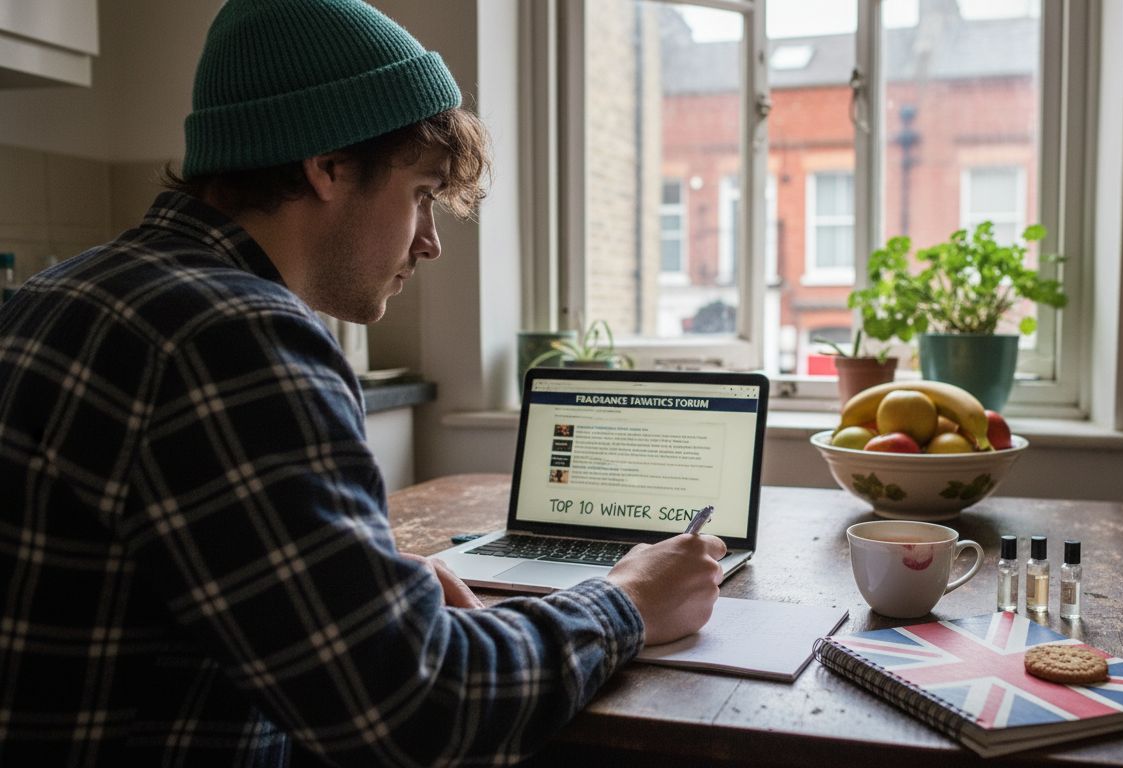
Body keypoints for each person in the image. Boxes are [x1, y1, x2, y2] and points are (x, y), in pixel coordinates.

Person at [0, 1, 726, 765]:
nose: (431, 242)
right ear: (328, 166)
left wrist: (357, 587)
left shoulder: (58, 294)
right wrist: (628, 601)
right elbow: (416, 708)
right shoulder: (234, 337)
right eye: (421, 193)